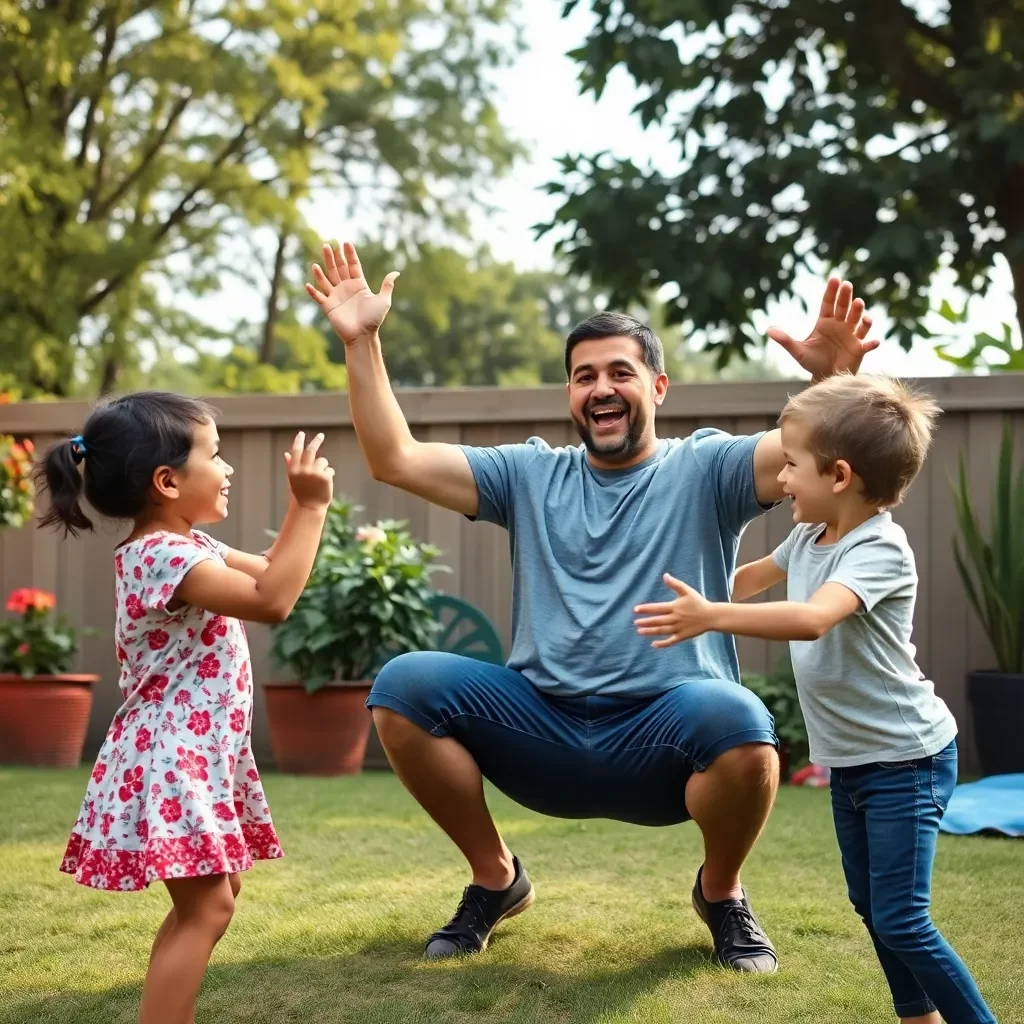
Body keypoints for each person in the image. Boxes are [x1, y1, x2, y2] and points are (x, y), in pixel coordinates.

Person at [304, 240, 878, 973]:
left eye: (619, 372)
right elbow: (397, 459)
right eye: (583, 377)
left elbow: (814, 449)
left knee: (743, 724)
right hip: (538, 727)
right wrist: (362, 342)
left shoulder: (709, 468)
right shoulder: (528, 475)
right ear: (569, 395)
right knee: (405, 686)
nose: (600, 388)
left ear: (659, 386)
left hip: (664, 739)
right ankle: (496, 879)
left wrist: (835, 382)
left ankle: (722, 894)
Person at [633, 374, 997, 1024]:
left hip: (906, 759)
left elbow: (812, 618)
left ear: (838, 475)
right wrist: (674, 588)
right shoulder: (809, 535)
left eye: (792, 465)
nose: (781, 479)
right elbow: (742, 578)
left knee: (904, 919)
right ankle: (919, 1018)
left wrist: (710, 617)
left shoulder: (879, 548)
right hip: (853, 762)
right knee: (870, 905)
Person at [38, 392, 335, 1024]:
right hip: (172, 755)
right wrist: (309, 505)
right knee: (208, 908)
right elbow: (274, 601)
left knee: (216, 896)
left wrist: (302, 517)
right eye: (216, 455)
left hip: (198, 752)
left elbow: (274, 573)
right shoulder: (162, 557)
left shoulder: (189, 543)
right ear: (167, 481)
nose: (227, 469)